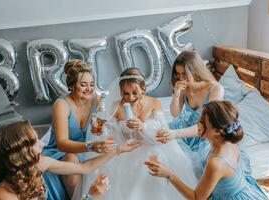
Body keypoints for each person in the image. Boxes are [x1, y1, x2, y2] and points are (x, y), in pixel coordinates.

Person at [74, 67, 198, 200]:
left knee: (149, 165)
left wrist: (143, 127)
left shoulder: (154, 103)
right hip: (126, 151)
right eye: (125, 93)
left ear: (143, 89)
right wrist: (100, 125)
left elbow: (162, 136)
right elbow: (108, 135)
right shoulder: (116, 107)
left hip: (153, 147)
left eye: (134, 92)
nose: (130, 98)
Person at [0, 120, 141, 200]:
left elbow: (84, 168)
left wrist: (118, 150)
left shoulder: (39, 164)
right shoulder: (3, 194)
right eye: (34, 142)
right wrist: (90, 196)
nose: (41, 144)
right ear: (20, 153)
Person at [145, 101, 268, 200]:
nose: (197, 123)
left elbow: (197, 197)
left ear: (216, 131)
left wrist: (169, 174)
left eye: (202, 122)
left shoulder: (216, 162)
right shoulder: (228, 140)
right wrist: (175, 134)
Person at [42, 60, 114, 199]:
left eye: (92, 85)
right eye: (83, 84)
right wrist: (91, 146)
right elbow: (62, 143)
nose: (89, 89)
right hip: (60, 151)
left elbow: (114, 115)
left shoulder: (97, 100)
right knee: (70, 158)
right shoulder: (61, 104)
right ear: (72, 85)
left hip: (90, 149)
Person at [168, 50, 224, 151]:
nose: (181, 78)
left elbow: (206, 124)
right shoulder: (185, 88)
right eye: (178, 74)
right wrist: (176, 94)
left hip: (205, 132)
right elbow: (175, 113)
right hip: (187, 128)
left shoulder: (215, 89)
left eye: (184, 74)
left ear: (195, 70)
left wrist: (176, 134)